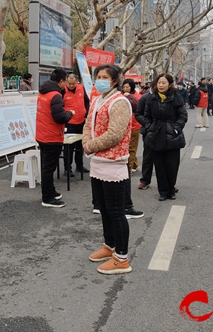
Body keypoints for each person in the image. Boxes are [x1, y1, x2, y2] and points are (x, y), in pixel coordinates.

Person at [83, 64, 133, 274]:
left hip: (113, 164)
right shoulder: (97, 99)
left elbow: (115, 134)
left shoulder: (120, 102)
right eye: (98, 76)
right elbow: (88, 125)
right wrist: (87, 141)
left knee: (115, 211)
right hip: (98, 163)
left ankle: (121, 258)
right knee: (103, 209)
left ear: (114, 81)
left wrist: (90, 146)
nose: (100, 80)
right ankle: (109, 245)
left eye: (105, 77)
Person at [139, 74, 187, 201]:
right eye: (159, 82)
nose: (160, 85)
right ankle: (163, 192)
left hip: (172, 135)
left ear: (170, 84)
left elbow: (182, 115)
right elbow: (146, 116)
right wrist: (149, 126)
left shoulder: (176, 97)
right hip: (155, 135)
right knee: (159, 166)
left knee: (172, 165)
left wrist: (176, 129)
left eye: (163, 83)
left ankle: (171, 190)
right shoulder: (151, 98)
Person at [35, 68, 74, 208]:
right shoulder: (55, 95)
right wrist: (70, 113)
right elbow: (59, 117)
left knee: (47, 166)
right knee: (48, 168)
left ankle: (51, 191)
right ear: (61, 81)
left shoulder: (43, 91)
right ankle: (47, 198)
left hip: (42, 134)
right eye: (66, 81)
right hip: (51, 136)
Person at [119, 79, 144, 219]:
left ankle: (130, 166)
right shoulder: (118, 97)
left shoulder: (137, 98)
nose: (126, 88)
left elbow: (138, 111)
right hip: (123, 127)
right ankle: (133, 164)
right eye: (124, 86)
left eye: (128, 86)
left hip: (134, 126)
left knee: (132, 149)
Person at [62, 73, 89, 177]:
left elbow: (87, 101)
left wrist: (86, 112)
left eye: (73, 83)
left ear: (76, 81)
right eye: (69, 83)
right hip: (70, 124)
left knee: (80, 147)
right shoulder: (63, 91)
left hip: (81, 122)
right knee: (69, 148)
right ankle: (67, 169)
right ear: (66, 81)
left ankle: (79, 166)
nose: (71, 85)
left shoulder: (81, 88)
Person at [136, 82, 155, 190]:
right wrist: (148, 125)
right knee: (148, 157)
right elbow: (138, 114)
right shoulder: (145, 97)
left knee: (165, 159)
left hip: (165, 132)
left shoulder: (170, 97)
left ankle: (168, 183)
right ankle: (145, 180)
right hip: (148, 131)